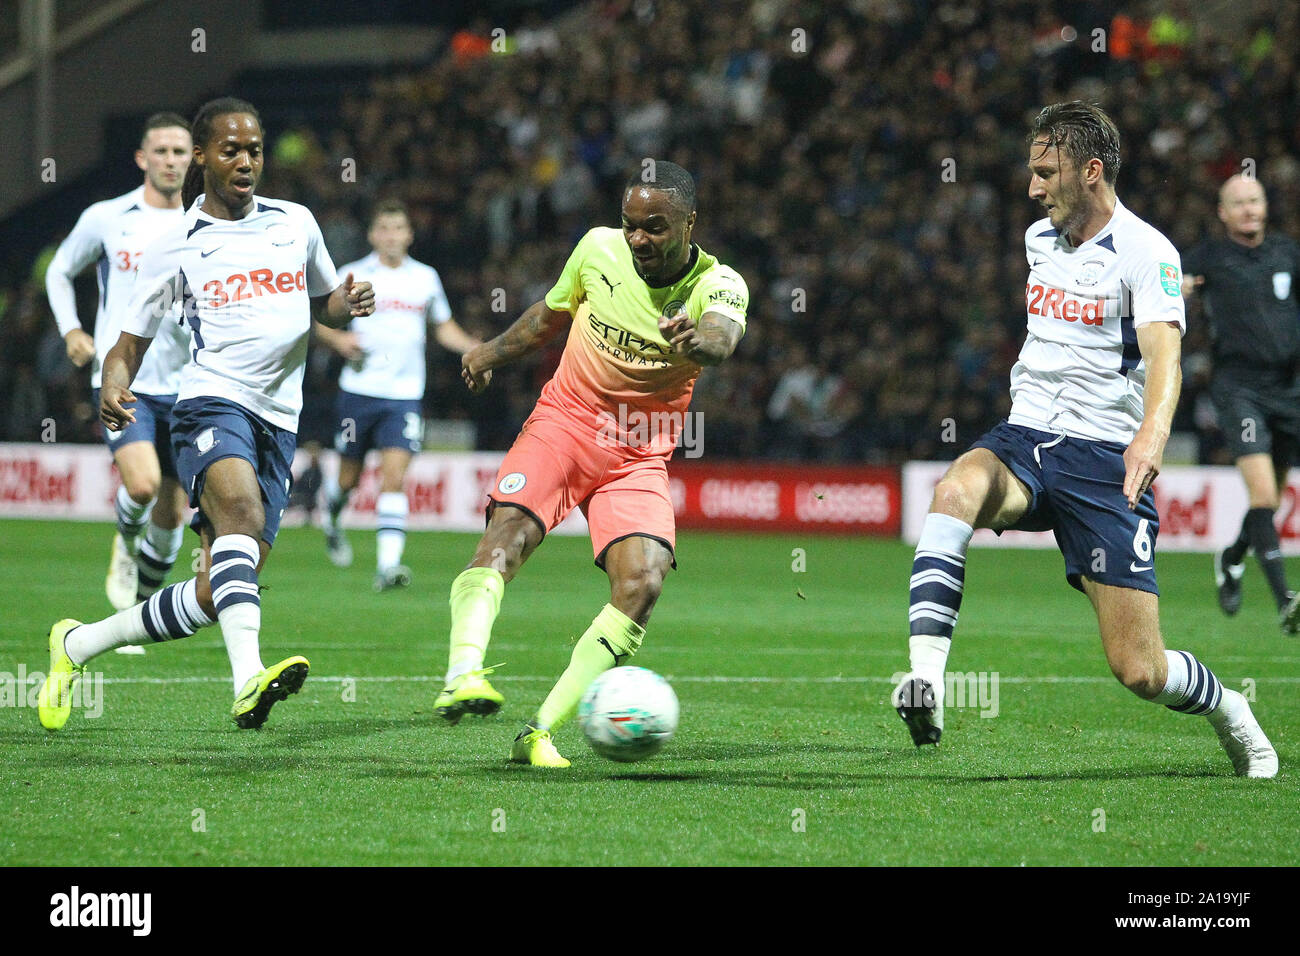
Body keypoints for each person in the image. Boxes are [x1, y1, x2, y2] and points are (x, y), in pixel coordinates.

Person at [891, 102, 1277, 777]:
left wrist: (1151, 437)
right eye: (1032, 172)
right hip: (1026, 438)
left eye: (1047, 172)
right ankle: (926, 679)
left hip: (1104, 461)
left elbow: (1166, 360)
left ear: (1091, 171)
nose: (1033, 187)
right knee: (955, 489)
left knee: (1141, 671)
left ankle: (1231, 709)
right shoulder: (1039, 239)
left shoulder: (1148, 252)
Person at [37, 97, 375, 731]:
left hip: (280, 418)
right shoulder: (179, 244)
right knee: (242, 517)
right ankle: (248, 681)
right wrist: (114, 384)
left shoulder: (295, 222)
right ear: (202, 156)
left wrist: (347, 304)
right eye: (231, 150)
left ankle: (77, 644)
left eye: (254, 150)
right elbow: (128, 342)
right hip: (210, 402)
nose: (246, 161)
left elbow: (323, 304)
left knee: (220, 589)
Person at [442, 160, 748, 766]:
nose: (638, 239)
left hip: (639, 454)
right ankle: (462, 674)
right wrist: (487, 353)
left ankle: (538, 732)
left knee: (643, 582)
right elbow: (548, 319)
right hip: (566, 423)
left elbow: (722, 336)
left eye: (655, 228)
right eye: (630, 225)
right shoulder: (596, 249)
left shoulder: (719, 284)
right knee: (508, 535)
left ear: (690, 222)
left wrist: (699, 343)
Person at [45, 113, 194, 626]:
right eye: (162, 151)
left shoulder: (204, 224)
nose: (171, 161)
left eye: (181, 152)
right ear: (142, 158)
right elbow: (61, 269)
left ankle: (135, 614)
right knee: (144, 486)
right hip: (122, 378)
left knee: (174, 518)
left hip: (189, 384)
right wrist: (71, 330)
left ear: (194, 159)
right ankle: (126, 542)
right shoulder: (108, 217)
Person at [314, 199, 481, 590]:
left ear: (409, 234)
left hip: (405, 395)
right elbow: (318, 319)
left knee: (394, 477)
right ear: (373, 235)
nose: (391, 236)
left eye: (398, 228)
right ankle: (333, 515)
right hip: (358, 392)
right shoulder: (352, 274)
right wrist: (338, 341)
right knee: (348, 479)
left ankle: (388, 567)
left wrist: (475, 347)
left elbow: (443, 327)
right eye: (384, 229)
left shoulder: (425, 278)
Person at [1182, 175, 1300, 632]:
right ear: (1223, 212)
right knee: (1264, 494)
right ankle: (1285, 600)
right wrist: (1179, 285)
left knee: (1267, 505)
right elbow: (1163, 275)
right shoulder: (1209, 257)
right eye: (1239, 203)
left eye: (1255, 201)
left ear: (1265, 206)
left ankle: (1231, 558)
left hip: (1288, 391)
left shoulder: (1288, 253)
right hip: (1239, 389)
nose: (1249, 209)